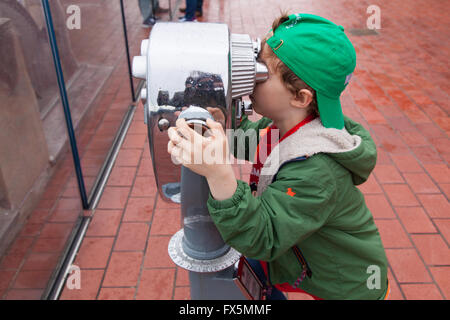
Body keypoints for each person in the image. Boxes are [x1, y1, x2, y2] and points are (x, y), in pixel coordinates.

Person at [167, 13, 389, 300]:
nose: (251, 77)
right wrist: (223, 124)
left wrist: (219, 174)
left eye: (262, 72)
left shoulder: (316, 168)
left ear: (300, 97)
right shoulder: (287, 124)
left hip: (347, 286)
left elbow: (263, 238)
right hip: (303, 255)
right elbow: (256, 144)